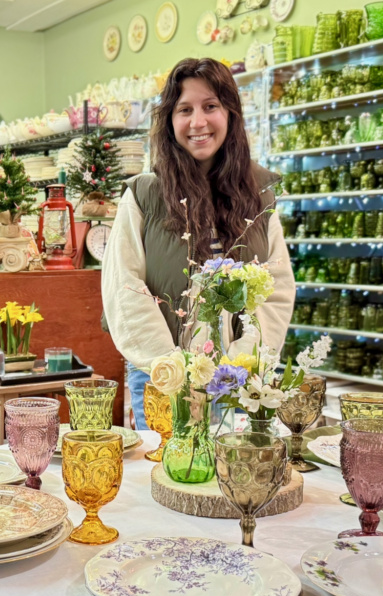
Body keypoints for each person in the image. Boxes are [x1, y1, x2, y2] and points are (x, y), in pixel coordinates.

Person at [102, 57, 295, 430]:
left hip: (239, 379)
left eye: (210, 106)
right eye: (185, 110)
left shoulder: (259, 195)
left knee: (234, 463)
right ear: (170, 120)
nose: (198, 122)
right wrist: (171, 364)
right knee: (166, 463)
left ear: (230, 114)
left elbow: (278, 285)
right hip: (163, 377)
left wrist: (241, 360)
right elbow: (123, 286)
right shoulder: (144, 194)